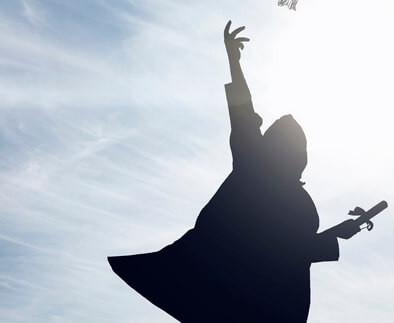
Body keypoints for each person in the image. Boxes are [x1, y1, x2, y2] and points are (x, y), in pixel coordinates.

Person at [108, 22, 361, 322]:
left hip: (268, 305)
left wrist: (337, 233)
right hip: (237, 296)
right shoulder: (255, 169)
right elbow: (242, 111)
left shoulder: (290, 194)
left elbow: (290, 251)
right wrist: (233, 62)